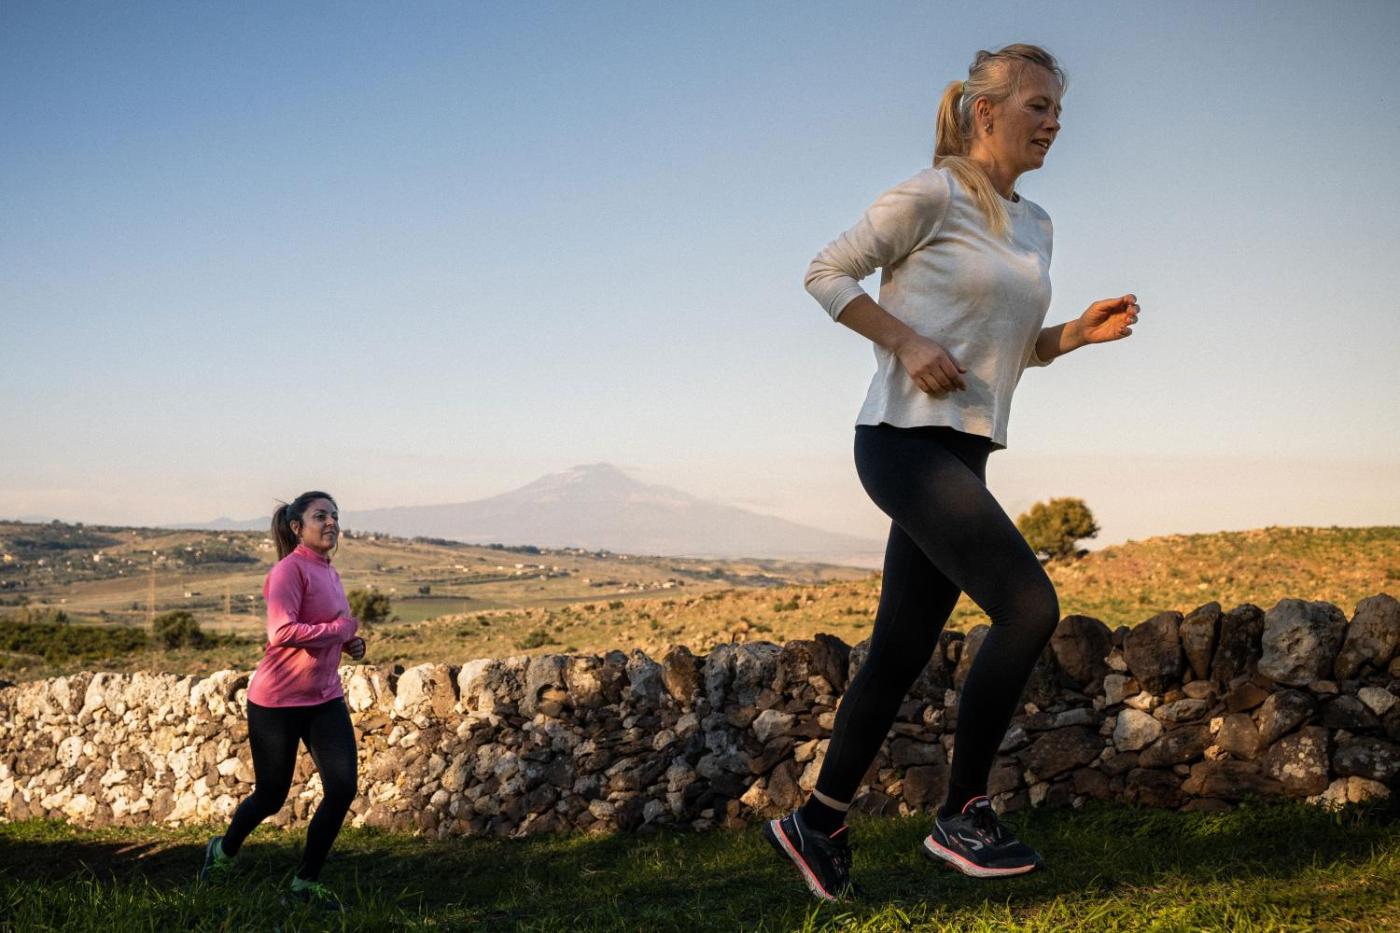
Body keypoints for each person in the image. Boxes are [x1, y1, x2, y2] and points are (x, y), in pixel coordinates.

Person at [764, 44, 1141, 901]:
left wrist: (1073, 335)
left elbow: (1006, 349)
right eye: (1039, 106)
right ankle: (963, 809)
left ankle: (816, 821)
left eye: (1059, 110)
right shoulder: (932, 194)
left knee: (899, 650)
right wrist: (903, 340)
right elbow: (825, 272)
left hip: (963, 451)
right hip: (902, 442)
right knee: (1029, 606)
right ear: (985, 112)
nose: (1054, 123)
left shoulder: (1036, 224)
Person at [199, 491, 367, 909]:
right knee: (272, 796)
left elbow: (328, 628)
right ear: (296, 527)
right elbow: (282, 632)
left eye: (335, 516)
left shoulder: (329, 572)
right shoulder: (288, 571)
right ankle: (222, 851)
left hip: (324, 697)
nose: (331, 522)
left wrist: (350, 644)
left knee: (342, 788)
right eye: (320, 516)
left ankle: (304, 884)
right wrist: (340, 631)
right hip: (277, 703)